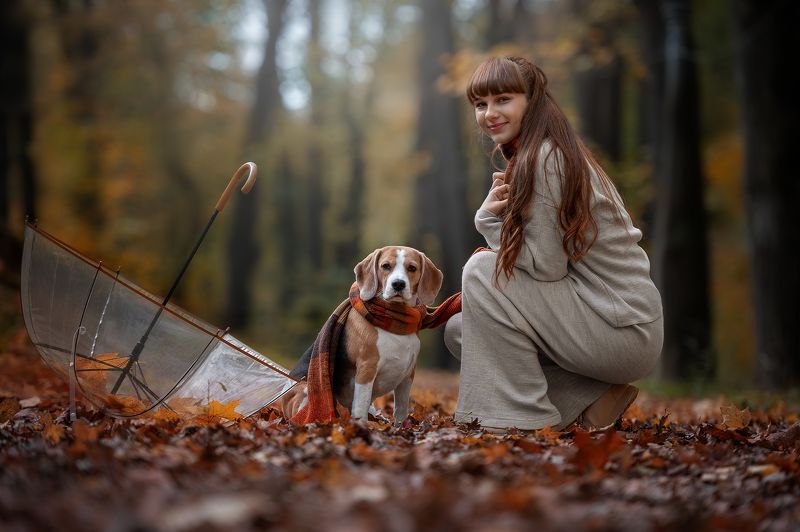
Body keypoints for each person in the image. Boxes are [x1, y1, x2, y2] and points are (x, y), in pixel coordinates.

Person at [443, 56, 663, 432]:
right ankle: (590, 400)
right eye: (481, 104)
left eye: (503, 100)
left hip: (623, 326)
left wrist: (488, 223)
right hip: (605, 318)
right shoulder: (542, 152)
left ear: (532, 100)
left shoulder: (546, 158)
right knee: (462, 330)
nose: (489, 113)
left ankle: (522, 421)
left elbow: (546, 267)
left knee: (481, 270)